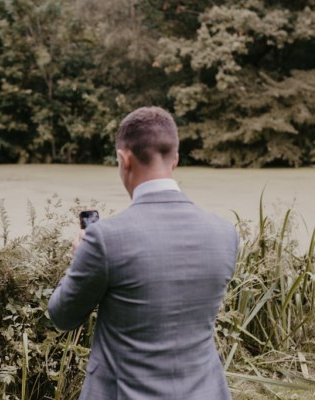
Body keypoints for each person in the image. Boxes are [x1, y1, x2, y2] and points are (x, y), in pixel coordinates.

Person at [48, 107, 238, 399]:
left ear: (124, 159)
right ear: (174, 159)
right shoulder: (225, 234)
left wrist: (80, 256)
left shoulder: (104, 239)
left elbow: (62, 316)